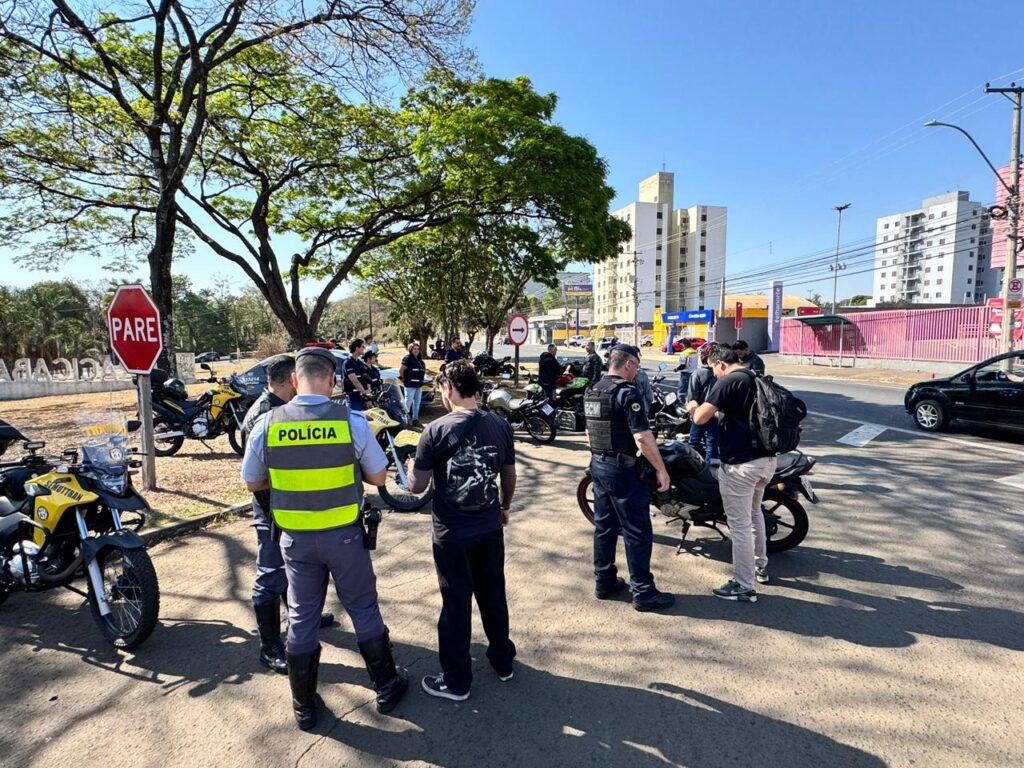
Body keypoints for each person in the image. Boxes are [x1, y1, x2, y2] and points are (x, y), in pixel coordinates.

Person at [241, 347, 408, 730]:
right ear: (332, 380)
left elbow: (252, 481)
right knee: (362, 607)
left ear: (294, 379)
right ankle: (386, 686)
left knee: (302, 616)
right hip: (345, 537)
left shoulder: (268, 424)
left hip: (295, 541)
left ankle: (303, 706)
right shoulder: (351, 421)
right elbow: (379, 477)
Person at [405, 360, 517, 701]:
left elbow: (416, 487)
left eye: (442, 388)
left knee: (456, 604)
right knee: (493, 594)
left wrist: (409, 467)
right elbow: (508, 474)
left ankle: (456, 681)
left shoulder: (434, 431)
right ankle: (503, 662)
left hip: (452, 533)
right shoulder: (500, 424)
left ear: (449, 389)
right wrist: (504, 505)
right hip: (489, 527)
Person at [240, 355, 333, 675]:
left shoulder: (278, 409)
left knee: (290, 569)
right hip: (271, 510)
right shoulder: (265, 416)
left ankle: (301, 618)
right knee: (270, 575)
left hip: (288, 507)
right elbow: (256, 476)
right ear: (290, 380)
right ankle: (269, 647)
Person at [584, 345, 674, 612]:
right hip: (622, 470)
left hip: (599, 465)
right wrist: (661, 469)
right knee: (637, 531)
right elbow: (642, 437)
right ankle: (644, 592)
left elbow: (590, 432)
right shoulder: (626, 392)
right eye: (637, 365)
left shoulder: (593, 389)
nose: (637, 371)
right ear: (628, 364)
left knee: (604, 527)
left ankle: (604, 581)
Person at [686, 346, 777, 603]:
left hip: (741, 465)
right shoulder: (754, 376)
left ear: (721, 364)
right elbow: (738, 414)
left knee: (739, 526)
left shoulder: (728, 380)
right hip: (765, 460)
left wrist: (693, 406)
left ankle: (744, 585)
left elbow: (700, 418)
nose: (713, 374)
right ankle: (760, 566)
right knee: (755, 514)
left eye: (713, 369)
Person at [686, 343, 720, 465]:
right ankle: (711, 469)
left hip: (700, 412)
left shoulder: (698, 373)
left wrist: (694, 412)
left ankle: (694, 466)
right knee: (712, 443)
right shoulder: (722, 373)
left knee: (693, 442)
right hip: (716, 413)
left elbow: (691, 398)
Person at [400, 341, 427, 427]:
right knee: (408, 403)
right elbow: (401, 370)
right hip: (410, 385)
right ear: (411, 350)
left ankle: (415, 420)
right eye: (414, 349)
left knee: (417, 403)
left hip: (419, 386)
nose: (416, 350)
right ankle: (405, 420)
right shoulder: (407, 359)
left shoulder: (420, 361)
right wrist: (405, 379)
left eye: (418, 349)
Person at [342, 338, 372, 411]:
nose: (364, 348)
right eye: (362, 346)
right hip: (354, 399)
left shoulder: (360, 363)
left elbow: (366, 378)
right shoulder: (348, 363)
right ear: (356, 348)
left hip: (363, 398)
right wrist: (365, 394)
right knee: (353, 417)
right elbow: (355, 381)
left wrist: (368, 394)